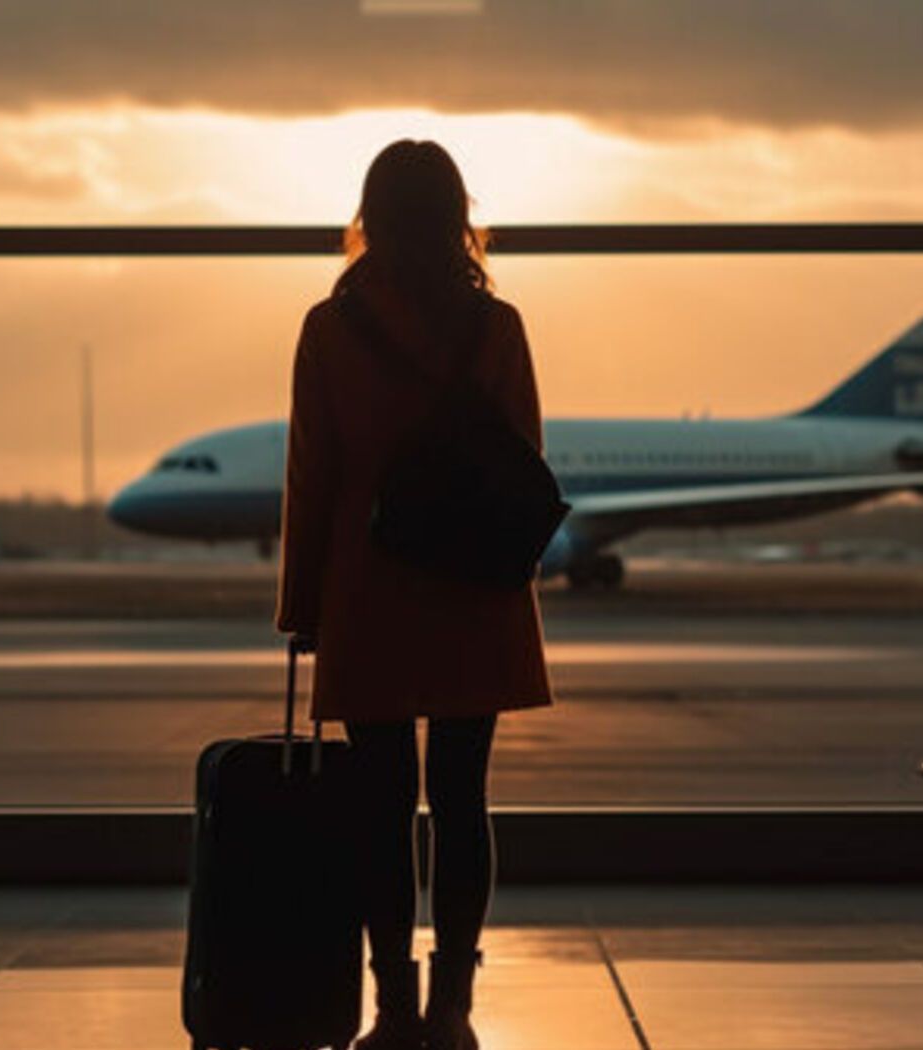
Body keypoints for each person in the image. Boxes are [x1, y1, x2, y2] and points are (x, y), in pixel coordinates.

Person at [275, 140, 553, 1050]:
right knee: (465, 800)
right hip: (475, 586)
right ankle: (456, 1005)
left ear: (370, 215)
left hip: (371, 587)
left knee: (381, 807)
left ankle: (393, 1001)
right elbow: (523, 464)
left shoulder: (330, 328)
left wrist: (301, 607)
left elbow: (313, 476)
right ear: (457, 215)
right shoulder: (498, 327)